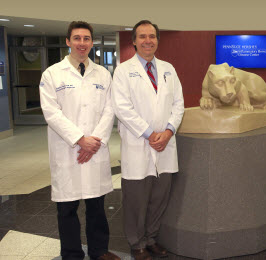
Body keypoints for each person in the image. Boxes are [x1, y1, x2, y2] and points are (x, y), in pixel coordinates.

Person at [39, 21, 119, 260]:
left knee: (96, 207)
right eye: (77, 38)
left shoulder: (103, 74)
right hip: (67, 149)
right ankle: (72, 254)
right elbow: (51, 112)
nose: (81, 43)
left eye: (86, 38)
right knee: (67, 209)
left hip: (94, 149)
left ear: (91, 42)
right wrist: (79, 139)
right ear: (68, 41)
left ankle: (99, 251)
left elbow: (109, 109)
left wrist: (93, 142)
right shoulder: (52, 73)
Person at [111, 20, 184, 260]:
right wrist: (149, 134)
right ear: (133, 41)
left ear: (157, 40)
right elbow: (122, 108)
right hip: (138, 144)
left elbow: (178, 104)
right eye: (142, 36)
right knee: (136, 200)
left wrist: (169, 131)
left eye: (152, 36)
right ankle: (137, 243)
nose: (147, 40)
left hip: (164, 144)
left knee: (158, 198)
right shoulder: (123, 71)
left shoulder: (168, 69)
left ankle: (151, 239)